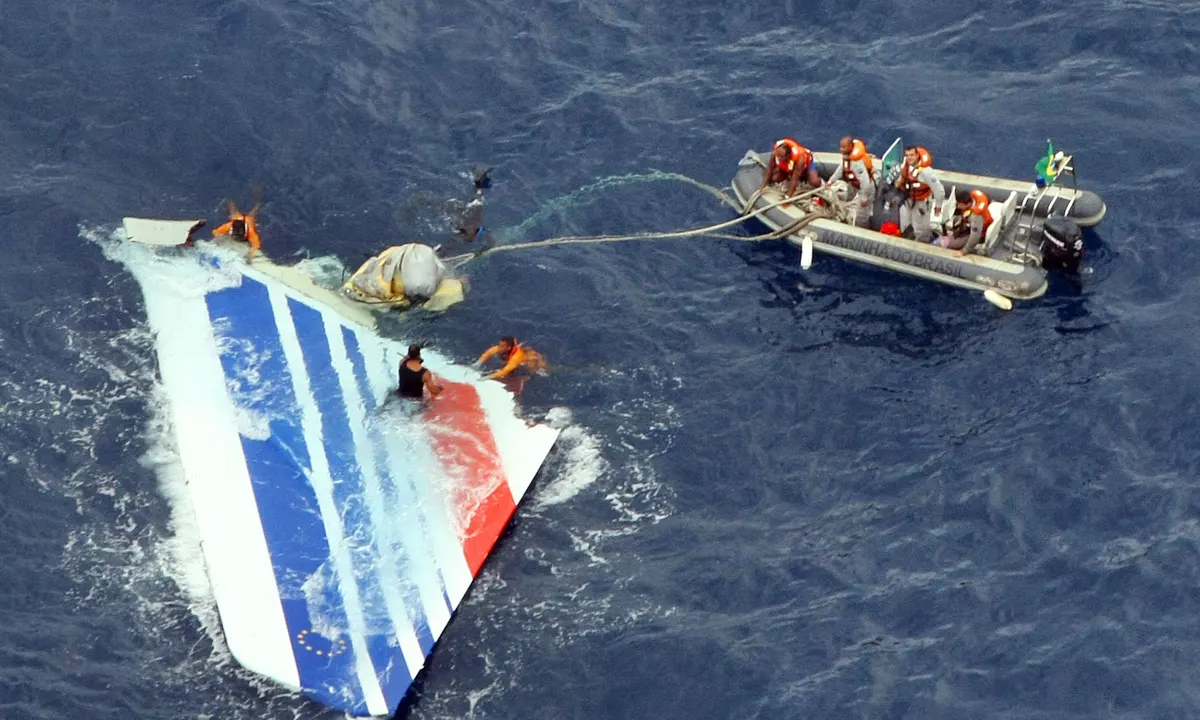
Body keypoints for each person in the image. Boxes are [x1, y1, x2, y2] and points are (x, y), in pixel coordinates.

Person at [894, 145, 945, 242]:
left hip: (921, 202)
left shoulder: (926, 172)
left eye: (912, 155)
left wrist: (938, 207)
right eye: (907, 155)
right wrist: (899, 182)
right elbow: (903, 176)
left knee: (920, 226)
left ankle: (923, 242)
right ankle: (912, 234)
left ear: (917, 155)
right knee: (909, 220)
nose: (909, 157)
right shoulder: (906, 164)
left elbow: (940, 191)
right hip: (909, 198)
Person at [826, 136, 876, 228]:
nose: (841, 149)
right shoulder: (846, 158)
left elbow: (865, 182)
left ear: (850, 147)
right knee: (847, 198)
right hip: (853, 185)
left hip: (865, 189)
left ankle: (862, 228)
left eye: (843, 147)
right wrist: (830, 181)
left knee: (862, 213)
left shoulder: (857, 163)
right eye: (840, 147)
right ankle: (846, 211)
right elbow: (839, 171)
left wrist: (864, 198)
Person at [934, 189, 993, 256]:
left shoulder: (976, 218)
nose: (958, 206)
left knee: (947, 243)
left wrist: (963, 251)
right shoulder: (972, 201)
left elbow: (975, 237)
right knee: (954, 224)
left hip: (980, 234)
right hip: (968, 225)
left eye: (960, 205)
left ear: (968, 204)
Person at [476, 336, 547, 380]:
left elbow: (504, 371)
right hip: (517, 355)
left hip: (530, 361)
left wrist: (487, 377)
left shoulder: (516, 358)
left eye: (502, 346)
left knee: (542, 372)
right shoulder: (501, 348)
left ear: (508, 347)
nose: (499, 348)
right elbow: (489, 352)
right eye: (499, 345)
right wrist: (478, 363)